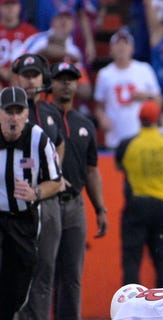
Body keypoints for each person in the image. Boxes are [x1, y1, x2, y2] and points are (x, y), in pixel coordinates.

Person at [48, 61, 107, 319]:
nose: (66, 84)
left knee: (72, 274)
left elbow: (92, 170)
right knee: (43, 271)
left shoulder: (85, 123)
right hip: (45, 202)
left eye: (71, 79)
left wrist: (100, 208)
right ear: (51, 84)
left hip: (75, 204)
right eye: (61, 79)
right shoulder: (41, 116)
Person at [0, 86, 62, 319]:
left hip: (23, 219)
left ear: (27, 114)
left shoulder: (39, 139)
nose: (13, 117)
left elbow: (55, 181)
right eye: (8, 111)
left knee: (18, 283)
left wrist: (35, 192)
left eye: (18, 111)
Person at [12, 52, 66, 320]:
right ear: (17, 78)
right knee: (14, 269)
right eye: (26, 75)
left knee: (45, 268)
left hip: (45, 198)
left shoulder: (50, 112)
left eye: (35, 75)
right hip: (12, 202)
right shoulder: (5, 111)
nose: (31, 81)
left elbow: (60, 145)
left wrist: (56, 175)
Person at [115, 100, 163, 287]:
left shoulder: (128, 144)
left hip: (137, 205)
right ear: (158, 119)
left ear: (139, 119)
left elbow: (119, 165)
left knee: (131, 260)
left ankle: (129, 307)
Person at [93, 27, 163, 149]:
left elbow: (159, 101)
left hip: (141, 136)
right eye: (117, 44)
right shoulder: (104, 74)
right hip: (115, 137)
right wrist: (102, 118)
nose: (121, 47)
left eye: (125, 43)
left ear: (132, 48)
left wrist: (147, 96)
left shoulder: (144, 69)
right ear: (111, 49)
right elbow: (98, 106)